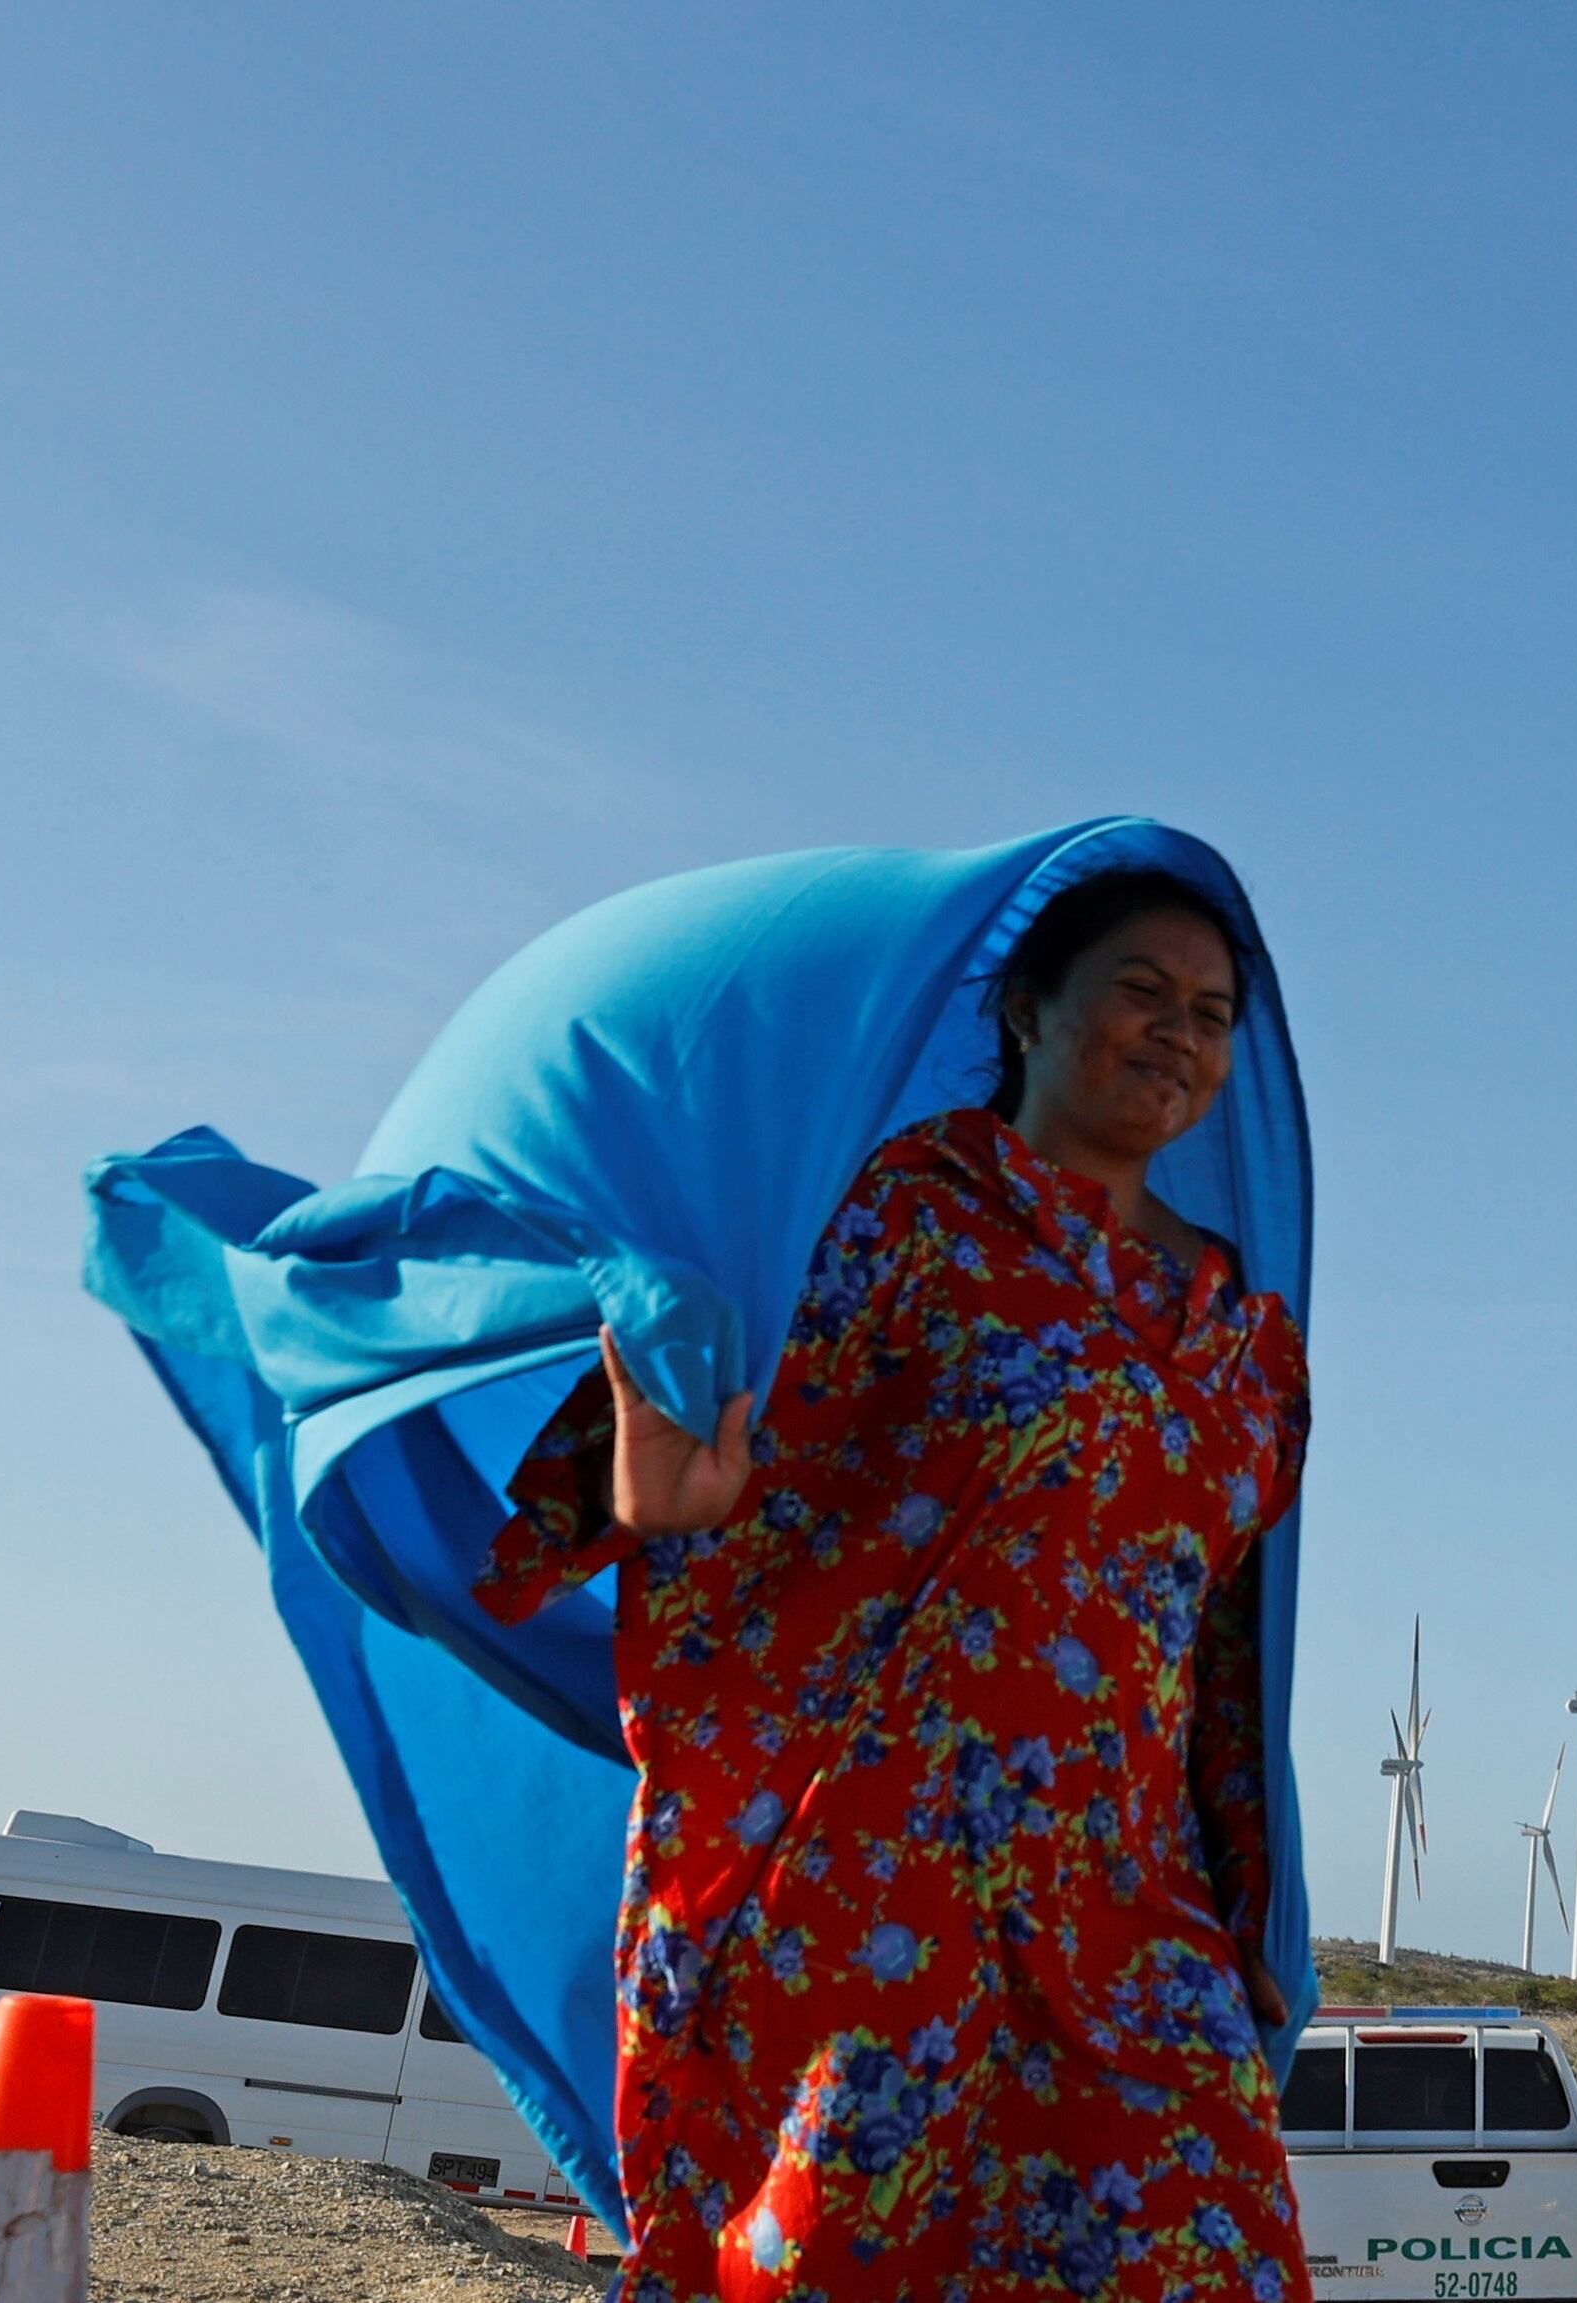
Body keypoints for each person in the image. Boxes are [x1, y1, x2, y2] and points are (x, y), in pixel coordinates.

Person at [472, 867, 1307, 2303]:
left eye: (1213, 1011)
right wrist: (670, 1493)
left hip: (1120, 1896)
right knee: (822, 2260)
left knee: (1209, 2251)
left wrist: (1248, 1908)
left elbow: (1222, 1651)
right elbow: (707, 1391)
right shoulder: (904, 1212)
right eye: (1140, 989)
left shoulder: (1249, 1337)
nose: (1179, 1031)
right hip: (871, 1871)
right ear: (1030, 1006)